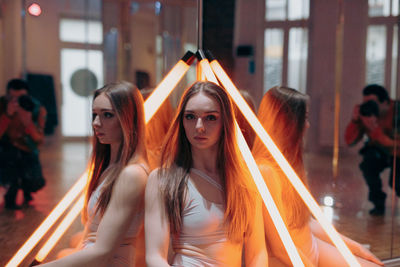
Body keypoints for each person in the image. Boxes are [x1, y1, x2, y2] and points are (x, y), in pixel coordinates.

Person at [253, 86, 383, 266]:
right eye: (304, 118)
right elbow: (280, 247)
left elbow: (304, 221)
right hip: (294, 257)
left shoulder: (288, 163)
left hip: (311, 246)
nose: (308, 125)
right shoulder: (265, 171)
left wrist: (355, 247)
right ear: (289, 123)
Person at [145, 81, 267, 266]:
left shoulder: (245, 180)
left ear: (224, 122)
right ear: (182, 121)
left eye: (210, 118)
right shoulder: (163, 180)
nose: (199, 126)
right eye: (190, 117)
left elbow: (257, 254)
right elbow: (155, 257)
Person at [40, 82, 149, 266]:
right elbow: (92, 239)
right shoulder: (111, 167)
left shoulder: (132, 174)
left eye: (107, 115)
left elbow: (102, 252)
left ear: (128, 119)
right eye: (95, 115)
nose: (96, 123)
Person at [345, 84, 400, 216]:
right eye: (366, 102)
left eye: (372, 103)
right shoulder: (368, 112)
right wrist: (356, 120)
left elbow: (393, 144)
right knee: (368, 164)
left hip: (397, 153)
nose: (369, 106)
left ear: (386, 103)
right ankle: (378, 203)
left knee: (396, 183)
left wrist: (374, 129)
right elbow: (350, 141)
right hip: (380, 151)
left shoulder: (398, 111)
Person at [0, 78, 46, 210]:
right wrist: (7, 115)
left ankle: (27, 188)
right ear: (7, 95)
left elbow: (39, 140)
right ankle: (11, 188)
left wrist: (28, 122)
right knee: (10, 172)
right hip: (6, 150)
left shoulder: (36, 108)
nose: (16, 101)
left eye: (20, 97)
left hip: (28, 150)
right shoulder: (2, 105)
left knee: (35, 182)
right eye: (12, 97)